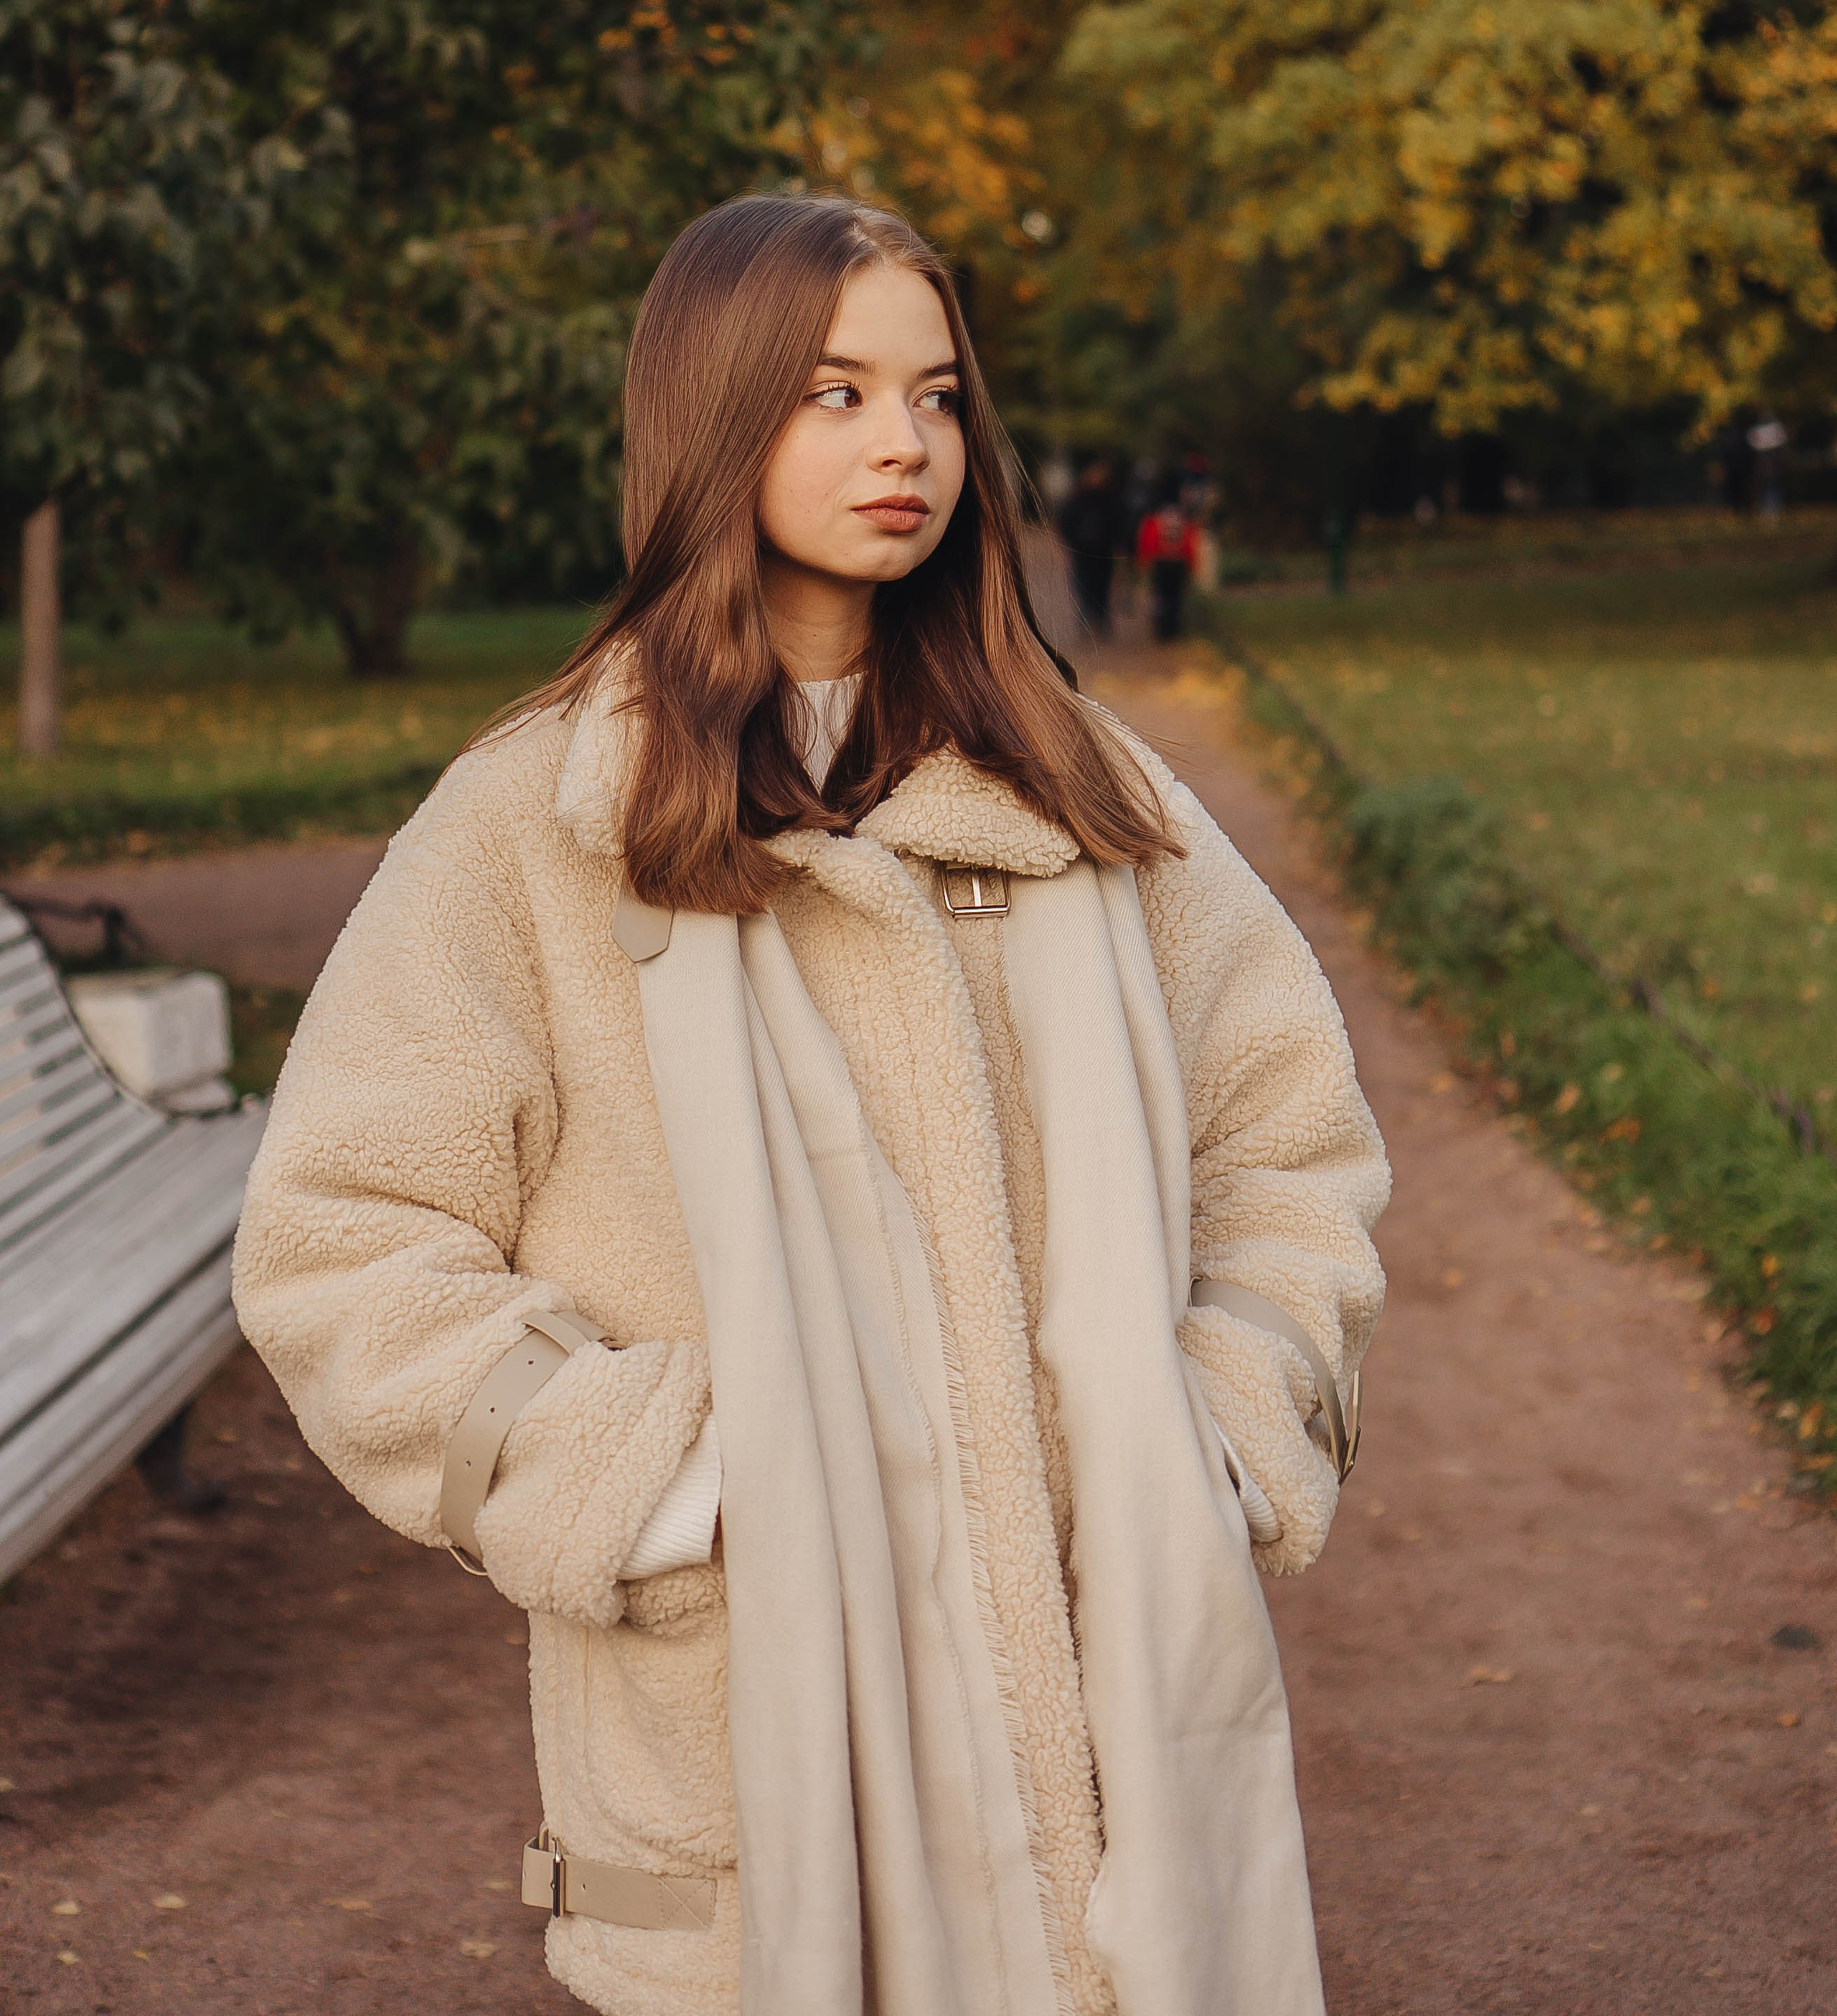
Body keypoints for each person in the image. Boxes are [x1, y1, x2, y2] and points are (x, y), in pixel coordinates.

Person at [233, 195, 1388, 2016]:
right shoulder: (534, 820)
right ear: (712, 416)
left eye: (932, 395)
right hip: (738, 1711)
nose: (901, 444)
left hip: (1103, 1691)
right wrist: (669, 1484)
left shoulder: (1082, 789)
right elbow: (338, 1237)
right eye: (833, 392)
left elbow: (1287, 1130)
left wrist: (1215, 1428)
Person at [1058, 454, 1124, 636]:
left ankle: (1101, 618)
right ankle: (1088, 617)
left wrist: (1116, 542)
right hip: (1082, 550)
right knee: (1084, 584)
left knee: (1102, 585)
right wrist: (1071, 542)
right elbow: (1066, 522)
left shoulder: (1110, 499)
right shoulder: (1078, 499)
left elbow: (1118, 522)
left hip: (1104, 551)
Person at [1137, 489, 1201, 641]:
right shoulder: (1184, 520)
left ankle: (1162, 627)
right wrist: (1192, 564)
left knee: (1161, 596)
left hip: (1160, 563)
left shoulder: (1155, 520)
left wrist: (1145, 561)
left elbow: (1147, 542)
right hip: (1179, 563)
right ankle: (1173, 627)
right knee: (1176, 597)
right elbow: (1190, 544)